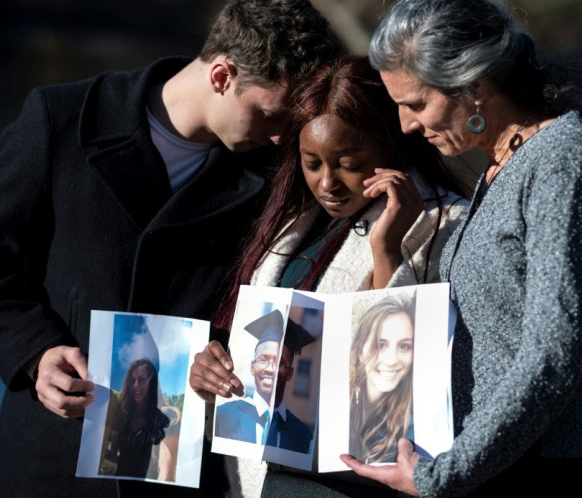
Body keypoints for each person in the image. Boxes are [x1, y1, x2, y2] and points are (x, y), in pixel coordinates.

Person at [0, 1, 340, 496]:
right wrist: (34, 350)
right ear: (222, 75)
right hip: (51, 452)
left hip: (183, 466)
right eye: (270, 114)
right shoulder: (64, 119)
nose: (283, 133)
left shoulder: (272, 166)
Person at [338, 0, 582, 496]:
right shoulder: (503, 165)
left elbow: (550, 358)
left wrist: (443, 475)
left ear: (477, 87)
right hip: (486, 468)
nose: (405, 125)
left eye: (416, 104)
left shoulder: (562, 163)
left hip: (535, 473)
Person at [190, 55, 469, 497]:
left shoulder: (449, 224)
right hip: (266, 483)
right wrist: (213, 376)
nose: (327, 184)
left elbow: (395, 381)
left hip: (357, 486)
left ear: (390, 147)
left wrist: (386, 251)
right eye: (312, 162)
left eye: (348, 162)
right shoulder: (294, 225)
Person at [215, 309, 315, 453]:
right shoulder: (224, 415)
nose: (270, 369)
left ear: (290, 373)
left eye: (279, 363)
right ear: (252, 367)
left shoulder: (303, 435)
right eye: (263, 360)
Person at [349, 294, 415, 465]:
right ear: (360, 350)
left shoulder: (412, 424)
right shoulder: (340, 401)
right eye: (381, 345)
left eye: (404, 346)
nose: (392, 360)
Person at [101, 358, 170, 479]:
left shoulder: (162, 419)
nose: (136, 385)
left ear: (152, 383)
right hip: (118, 483)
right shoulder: (120, 413)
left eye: (142, 380)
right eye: (132, 380)